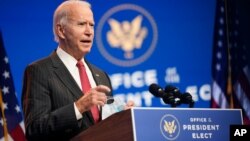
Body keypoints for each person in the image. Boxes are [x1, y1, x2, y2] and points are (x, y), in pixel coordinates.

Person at [21, 0, 134, 140]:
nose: (89, 32)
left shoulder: (101, 75)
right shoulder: (39, 71)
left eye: (91, 25)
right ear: (61, 30)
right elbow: (34, 130)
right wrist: (79, 107)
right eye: (81, 24)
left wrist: (121, 117)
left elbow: (103, 126)